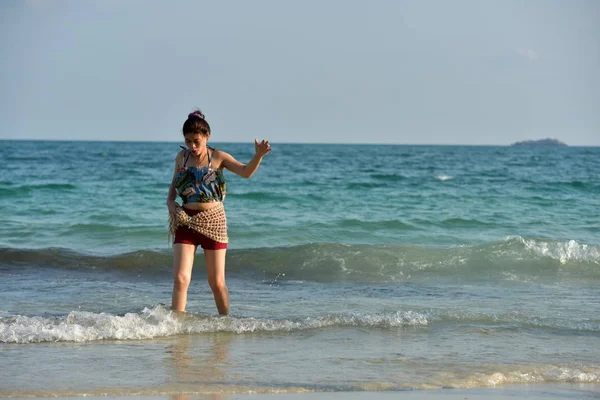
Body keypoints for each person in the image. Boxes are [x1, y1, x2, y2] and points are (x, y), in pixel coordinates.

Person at [167, 109, 271, 315]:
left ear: (207, 136)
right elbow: (173, 184)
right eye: (188, 141)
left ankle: (225, 324)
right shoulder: (182, 157)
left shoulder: (218, 157)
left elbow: (246, 172)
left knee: (216, 282)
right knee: (180, 278)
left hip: (214, 222)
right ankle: (176, 329)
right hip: (185, 221)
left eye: (196, 141)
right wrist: (170, 201)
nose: (193, 146)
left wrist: (258, 155)